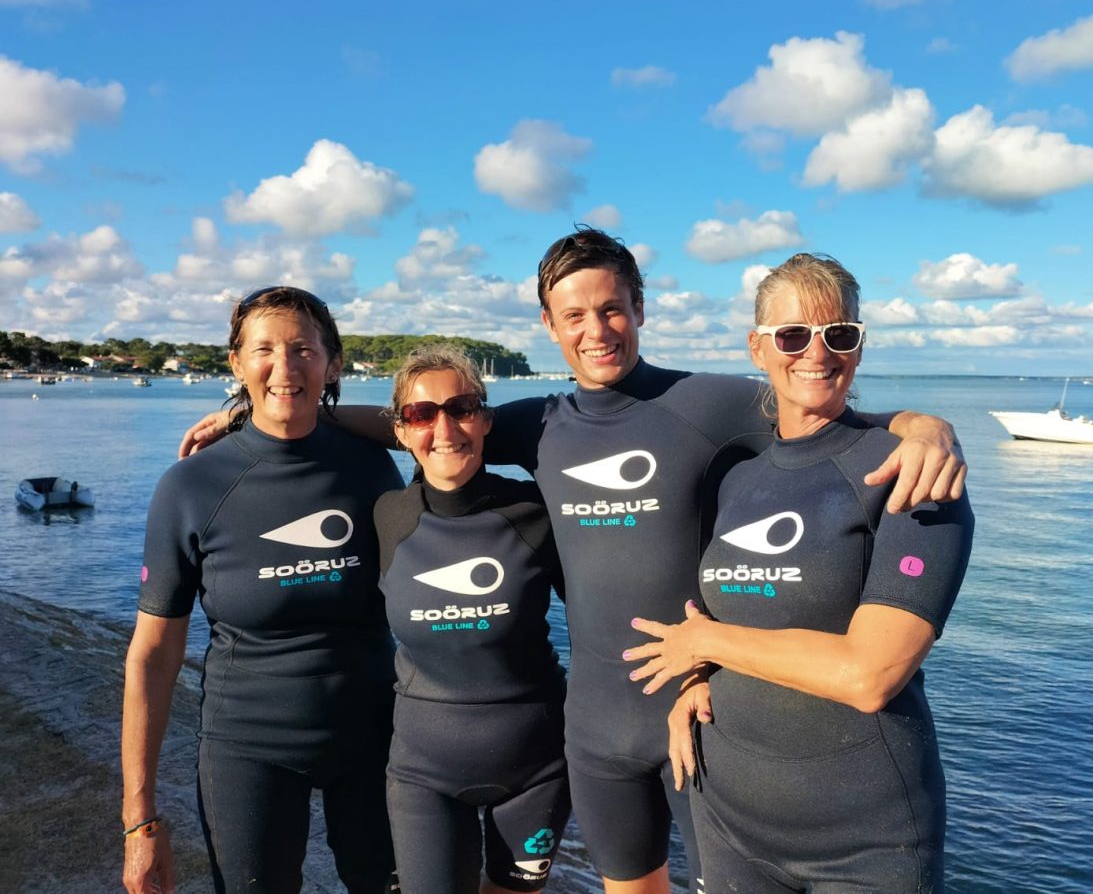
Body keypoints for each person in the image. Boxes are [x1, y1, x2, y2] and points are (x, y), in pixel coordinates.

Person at [179, 228, 967, 894]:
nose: (598, 330)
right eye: (575, 315)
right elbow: (425, 423)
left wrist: (920, 424)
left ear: (640, 309)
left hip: (696, 717)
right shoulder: (541, 422)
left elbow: (816, 402)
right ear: (550, 326)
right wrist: (265, 414)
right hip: (592, 731)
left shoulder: (708, 404)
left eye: (612, 308)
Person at [623, 253, 974, 893]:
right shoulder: (736, 475)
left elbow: (870, 675)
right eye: (792, 335)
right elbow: (731, 609)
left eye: (838, 334)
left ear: (859, 347)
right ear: (758, 348)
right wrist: (696, 676)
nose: (817, 352)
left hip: (868, 843)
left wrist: (703, 643)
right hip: (727, 822)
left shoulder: (914, 475)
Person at [122, 286, 403, 894]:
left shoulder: (371, 467)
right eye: (264, 350)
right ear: (236, 362)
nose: (284, 366)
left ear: (333, 363)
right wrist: (139, 818)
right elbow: (153, 655)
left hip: (376, 735)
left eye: (303, 350)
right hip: (247, 746)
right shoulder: (191, 486)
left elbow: (439, 426)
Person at [375, 345, 570, 893]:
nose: (444, 429)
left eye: (461, 409)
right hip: (423, 774)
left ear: (485, 420)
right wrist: (242, 417)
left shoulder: (536, 512)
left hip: (537, 769)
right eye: (421, 414)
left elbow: (602, 618)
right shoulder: (387, 517)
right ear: (401, 431)